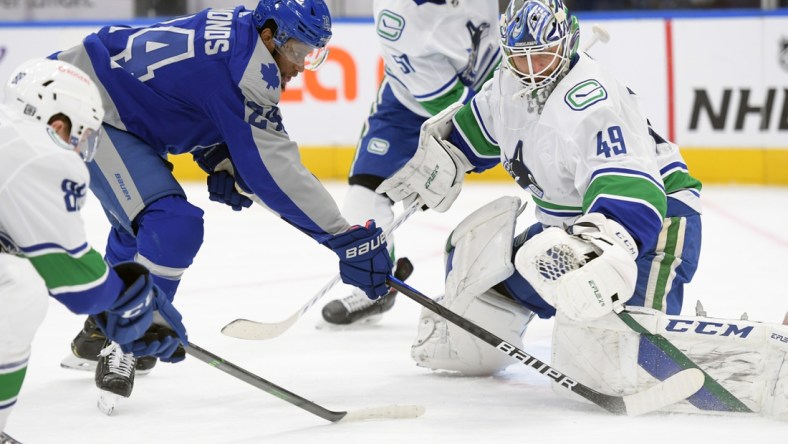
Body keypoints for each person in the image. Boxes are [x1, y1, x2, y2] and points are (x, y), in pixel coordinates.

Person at [375, 0, 787, 415]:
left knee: (622, 359)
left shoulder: (592, 102)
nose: (533, 68)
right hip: (569, 230)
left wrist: (596, 249)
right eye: (521, 56)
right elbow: (474, 134)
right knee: (481, 308)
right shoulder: (506, 85)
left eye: (543, 53)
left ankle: (755, 355)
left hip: (652, 227)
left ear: (568, 41)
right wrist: (442, 158)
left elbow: (633, 192)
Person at [52, 0, 393, 387]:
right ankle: (126, 341)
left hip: (98, 97)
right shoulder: (250, 69)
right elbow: (273, 171)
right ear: (269, 35)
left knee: (139, 223)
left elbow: (182, 91)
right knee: (171, 224)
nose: (301, 66)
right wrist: (343, 236)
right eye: (298, 51)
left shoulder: (239, 35)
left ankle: (102, 327)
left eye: (312, 54)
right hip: (83, 106)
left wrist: (216, 152)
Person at [0, 58, 188, 437]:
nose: (80, 149)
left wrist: (117, 300)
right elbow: (75, 281)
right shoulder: (39, 150)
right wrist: (133, 306)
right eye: (81, 136)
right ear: (57, 124)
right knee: (20, 288)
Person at [320, 0, 503, 326]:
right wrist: (448, 158)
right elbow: (453, 111)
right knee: (362, 199)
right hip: (410, 106)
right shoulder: (396, 15)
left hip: (505, 77)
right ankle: (376, 286)